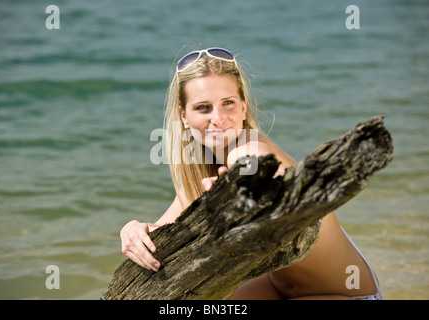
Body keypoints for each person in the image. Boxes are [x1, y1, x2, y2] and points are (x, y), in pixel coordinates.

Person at [120, 47, 383, 300]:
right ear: (184, 117)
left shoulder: (250, 146)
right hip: (277, 290)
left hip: (347, 294)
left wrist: (237, 188)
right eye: (203, 107)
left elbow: (253, 167)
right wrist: (132, 229)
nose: (218, 118)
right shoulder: (203, 167)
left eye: (228, 103)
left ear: (243, 108)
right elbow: (162, 233)